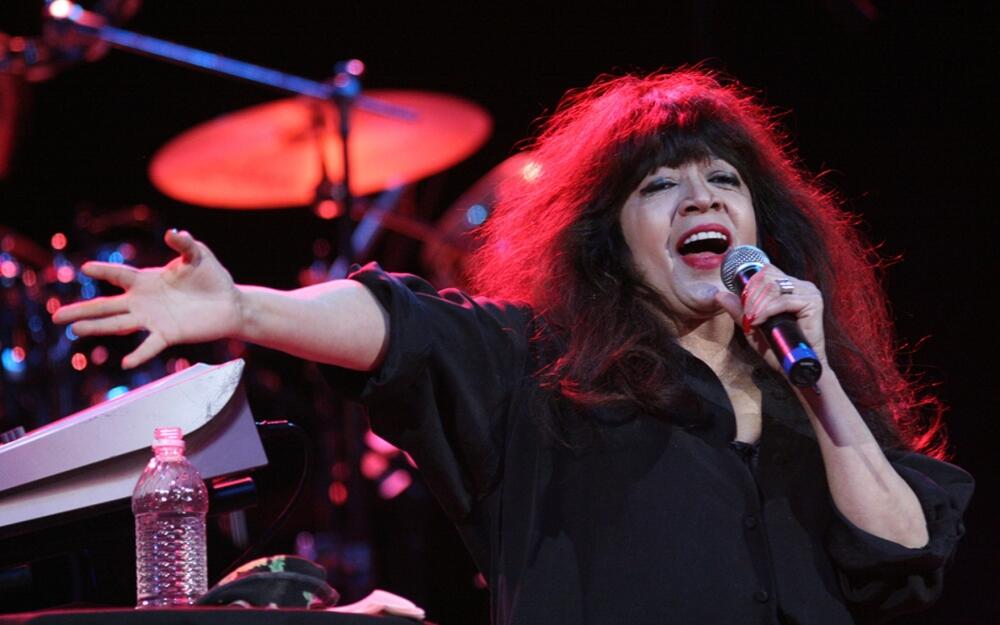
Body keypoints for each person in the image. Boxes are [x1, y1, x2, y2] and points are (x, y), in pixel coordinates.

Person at [54, 69, 972, 625]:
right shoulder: (539, 370)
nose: (703, 198)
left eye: (725, 180)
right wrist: (245, 308)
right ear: (607, 242)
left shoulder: (811, 389)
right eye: (661, 185)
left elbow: (901, 557)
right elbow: (396, 323)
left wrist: (815, 377)